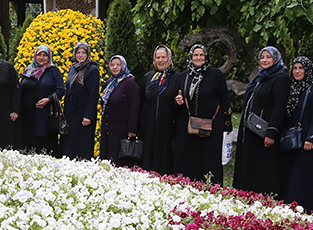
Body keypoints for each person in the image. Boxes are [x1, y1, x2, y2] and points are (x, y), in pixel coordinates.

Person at [233, 46, 291, 198]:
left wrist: (272, 131)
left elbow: (280, 106)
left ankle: (264, 197)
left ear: (276, 59)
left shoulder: (281, 77)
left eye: (268, 57)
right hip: (252, 129)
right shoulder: (261, 77)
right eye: (262, 57)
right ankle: (247, 194)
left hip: (264, 131)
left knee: (263, 165)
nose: (264, 60)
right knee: (251, 163)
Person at [173, 44, 231, 185]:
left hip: (212, 125)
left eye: (201, 55)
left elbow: (225, 100)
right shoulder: (184, 76)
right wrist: (178, 101)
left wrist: (227, 124)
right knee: (189, 157)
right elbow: (178, 99)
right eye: (195, 55)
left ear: (206, 57)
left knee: (209, 159)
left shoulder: (215, 75)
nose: (198, 58)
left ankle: (211, 188)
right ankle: (189, 185)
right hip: (189, 125)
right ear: (191, 57)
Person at [281, 56, 313, 214]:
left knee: (304, 173)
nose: (297, 71)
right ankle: (289, 204)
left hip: (307, 139)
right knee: (290, 173)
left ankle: (305, 207)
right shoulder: (292, 87)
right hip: (291, 139)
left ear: (307, 70)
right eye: (295, 68)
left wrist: (311, 137)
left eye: (301, 68)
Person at [140, 45, 183, 174]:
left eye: (163, 57)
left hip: (168, 128)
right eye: (157, 57)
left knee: (165, 161)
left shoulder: (178, 78)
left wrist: (179, 101)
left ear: (169, 59)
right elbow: (142, 102)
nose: (160, 60)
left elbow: (181, 102)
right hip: (149, 128)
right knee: (148, 160)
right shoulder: (148, 77)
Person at [14, 44, 64, 154]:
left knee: (42, 147)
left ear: (49, 57)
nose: (41, 58)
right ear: (35, 56)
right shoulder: (28, 70)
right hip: (27, 115)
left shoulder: (53, 71)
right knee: (27, 145)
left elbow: (60, 90)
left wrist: (48, 99)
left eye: (45, 55)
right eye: (39, 55)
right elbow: (21, 89)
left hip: (44, 115)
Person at [99, 55, 142, 165]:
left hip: (122, 130)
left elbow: (135, 107)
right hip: (108, 127)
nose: (115, 67)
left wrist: (132, 129)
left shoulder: (130, 83)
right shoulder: (110, 83)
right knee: (107, 159)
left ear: (123, 66)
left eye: (118, 65)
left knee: (118, 160)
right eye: (112, 65)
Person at [62, 41, 101, 159]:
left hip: (84, 113)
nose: (80, 55)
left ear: (88, 54)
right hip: (71, 112)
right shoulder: (73, 68)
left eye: (83, 52)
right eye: (78, 52)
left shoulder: (92, 69)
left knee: (82, 145)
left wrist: (88, 116)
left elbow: (93, 95)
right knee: (70, 145)